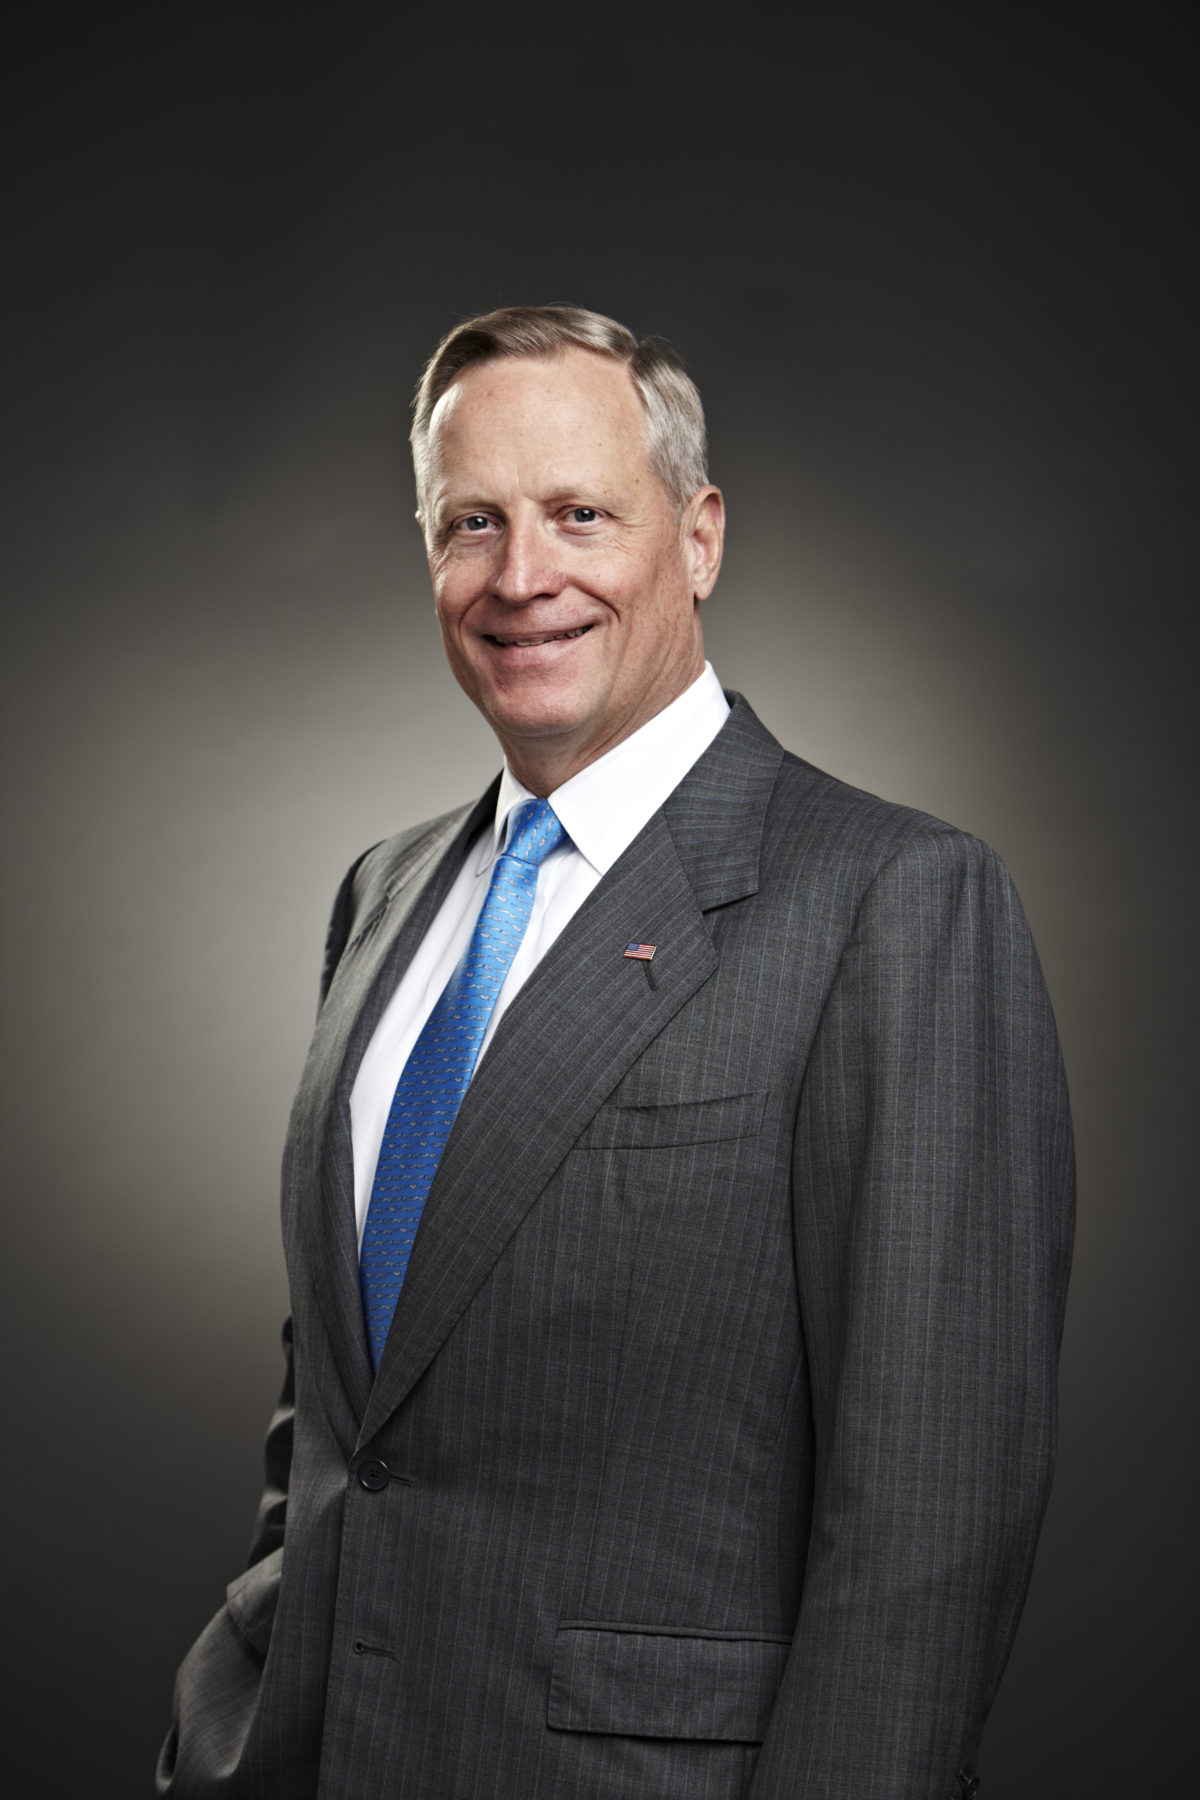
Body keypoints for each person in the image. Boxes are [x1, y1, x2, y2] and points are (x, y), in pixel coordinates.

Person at [158, 305, 1074, 1800]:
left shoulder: (893, 901)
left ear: (697, 537)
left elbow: (929, 1527)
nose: (524, 578)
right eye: (474, 523)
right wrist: (244, 1684)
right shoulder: (383, 894)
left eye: (581, 513)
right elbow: (345, 1398)